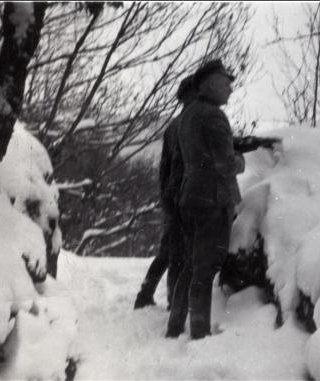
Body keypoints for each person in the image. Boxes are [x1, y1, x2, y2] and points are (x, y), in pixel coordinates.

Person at [167, 59, 244, 339]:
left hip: (191, 199)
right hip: (213, 202)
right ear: (211, 84)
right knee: (205, 270)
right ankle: (200, 334)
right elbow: (225, 165)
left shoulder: (188, 114)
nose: (230, 90)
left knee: (190, 266)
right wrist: (241, 161)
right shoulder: (214, 115)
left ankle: (175, 326)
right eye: (226, 83)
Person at [134, 75, 197, 310]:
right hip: (180, 197)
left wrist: (166, 197)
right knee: (176, 254)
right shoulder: (186, 124)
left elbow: (164, 168)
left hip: (171, 195)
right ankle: (173, 302)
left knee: (168, 251)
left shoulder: (174, 125)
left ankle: (146, 294)